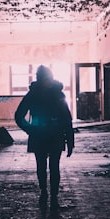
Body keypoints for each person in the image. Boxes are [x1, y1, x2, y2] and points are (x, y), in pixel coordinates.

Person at [14, 65, 75, 209]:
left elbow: (67, 119)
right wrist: (30, 129)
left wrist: (30, 129)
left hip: (44, 135)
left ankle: (49, 194)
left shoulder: (35, 94)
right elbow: (67, 119)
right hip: (50, 135)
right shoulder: (55, 94)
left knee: (48, 166)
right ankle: (48, 194)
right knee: (49, 166)